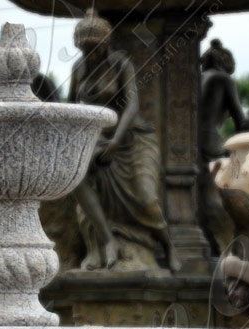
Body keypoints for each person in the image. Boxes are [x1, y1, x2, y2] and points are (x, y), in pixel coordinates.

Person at [69, 10, 180, 272]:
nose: (89, 54)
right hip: (97, 139)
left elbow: (132, 104)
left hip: (131, 139)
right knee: (77, 176)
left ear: (105, 44)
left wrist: (116, 140)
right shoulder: (79, 68)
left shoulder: (121, 64)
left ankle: (168, 244)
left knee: (145, 197)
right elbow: (71, 105)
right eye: (84, 49)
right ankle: (107, 240)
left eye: (94, 49)